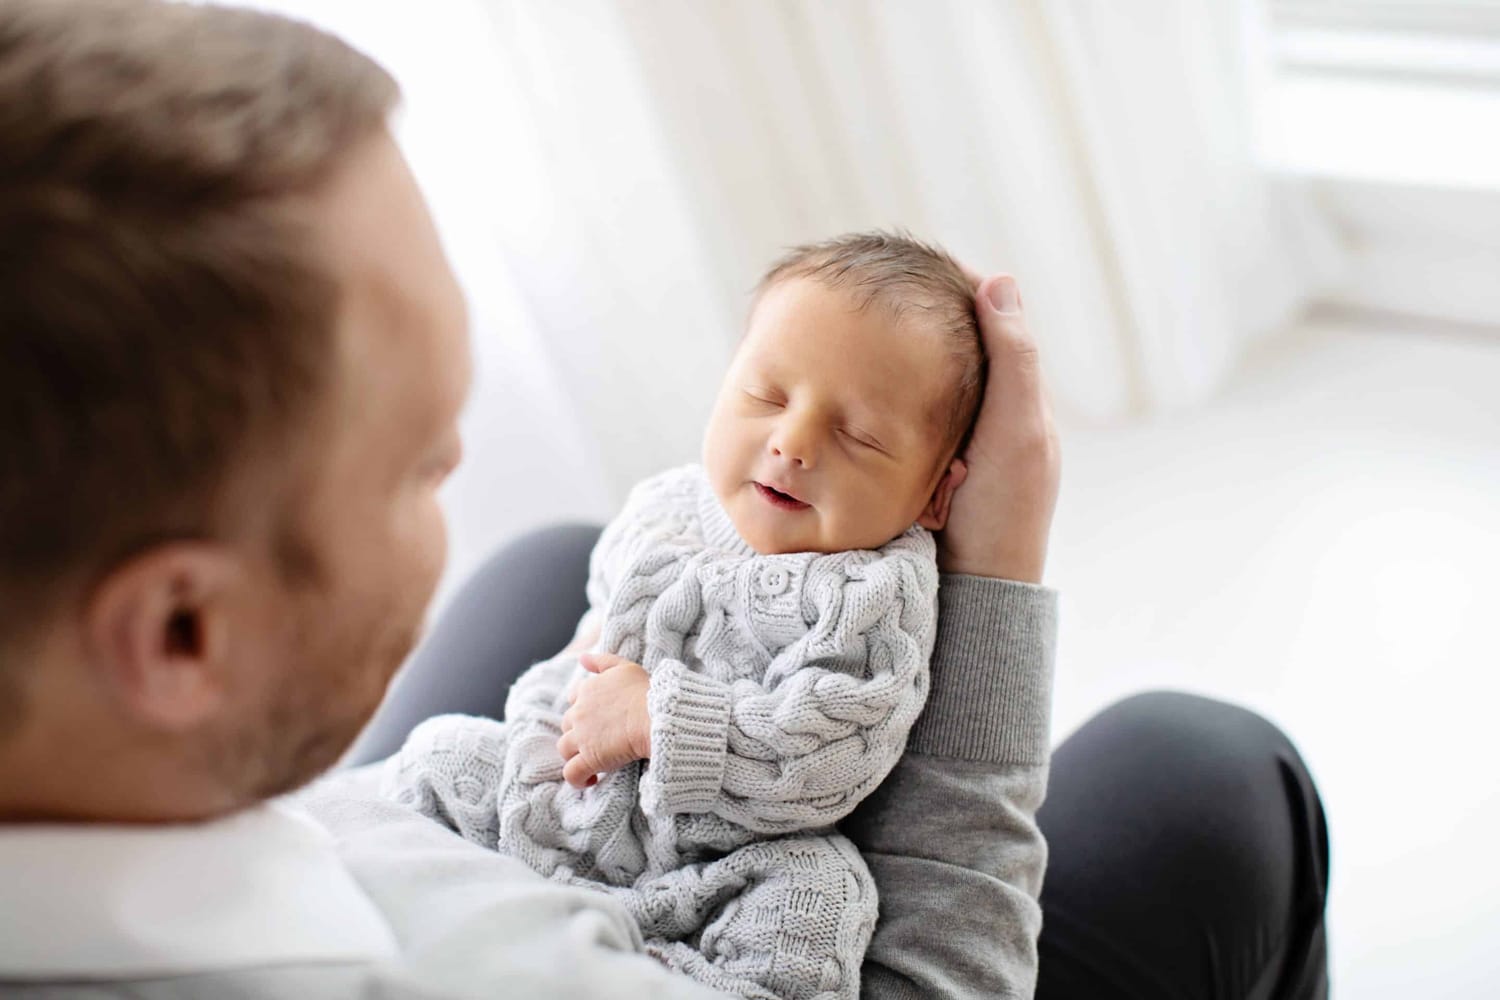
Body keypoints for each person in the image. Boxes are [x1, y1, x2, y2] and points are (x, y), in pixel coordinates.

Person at [0, 2, 1329, 998]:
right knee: (1206, 782)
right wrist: (995, 585)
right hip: (634, 863)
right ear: (180, 633)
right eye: (415, 463)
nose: (458, 464)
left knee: (547, 562)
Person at [376, 233, 986, 999]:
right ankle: (412, 931)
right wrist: (551, 714)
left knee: (822, 898)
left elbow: (828, 760)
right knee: (439, 753)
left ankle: (666, 980)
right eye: (766, 395)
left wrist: (658, 721)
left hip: (709, 871)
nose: (791, 442)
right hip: (555, 799)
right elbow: (592, 632)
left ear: (933, 495)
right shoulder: (666, 505)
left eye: (858, 436)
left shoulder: (870, 597)